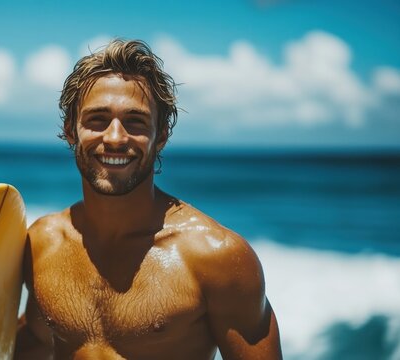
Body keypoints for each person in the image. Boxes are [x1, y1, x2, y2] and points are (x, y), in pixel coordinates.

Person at [14, 39, 282, 360]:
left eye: (135, 122)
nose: (115, 138)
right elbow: (35, 342)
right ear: (71, 129)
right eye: (97, 119)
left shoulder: (217, 259)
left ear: (161, 136)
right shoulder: (42, 244)